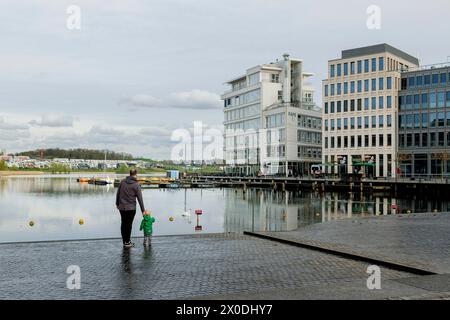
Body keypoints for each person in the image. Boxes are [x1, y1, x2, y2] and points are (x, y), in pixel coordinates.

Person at [116, 169, 146, 248]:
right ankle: (128, 242)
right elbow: (140, 199)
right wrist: (143, 211)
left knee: (123, 224)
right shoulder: (136, 185)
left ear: (129, 174)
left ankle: (124, 242)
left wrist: (117, 204)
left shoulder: (122, 182)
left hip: (122, 207)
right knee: (129, 225)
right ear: (136, 175)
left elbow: (118, 194)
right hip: (131, 208)